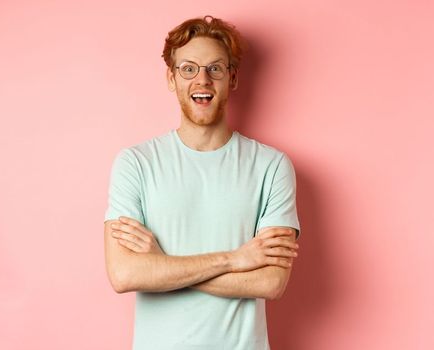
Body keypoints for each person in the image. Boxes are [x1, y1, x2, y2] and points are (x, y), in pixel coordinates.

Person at [103, 15, 301, 350]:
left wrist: (161, 263)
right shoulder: (135, 163)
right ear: (172, 78)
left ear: (232, 78)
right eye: (189, 68)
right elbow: (125, 275)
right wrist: (234, 260)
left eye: (215, 69)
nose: (202, 80)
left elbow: (270, 282)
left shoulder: (272, 166)